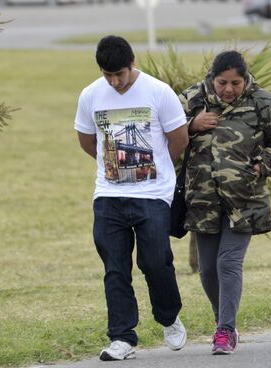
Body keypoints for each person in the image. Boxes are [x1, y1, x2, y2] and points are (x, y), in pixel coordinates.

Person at [74, 35, 189, 361]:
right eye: (108, 75)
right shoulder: (91, 95)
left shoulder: (158, 91)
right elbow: (87, 140)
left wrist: (156, 169)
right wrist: (113, 169)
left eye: (120, 75)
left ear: (131, 64)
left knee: (154, 261)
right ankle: (122, 337)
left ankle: (168, 316)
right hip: (109, 195)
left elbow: (178, 138)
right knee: (115, 268)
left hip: (153, 194)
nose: (114, 81)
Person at [178, 50, 271, 355]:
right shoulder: (191, 99)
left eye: (236, 83)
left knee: (228, 263)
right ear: (212, 78)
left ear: (245, 79)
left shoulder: (262, 101)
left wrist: (261, 166)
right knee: (207, 271)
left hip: (245, 200)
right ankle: (223, 323)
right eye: (222, 82)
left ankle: (225, 330)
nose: (229, 89)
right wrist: (191, 126)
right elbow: (166, 138)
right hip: (203, 200)